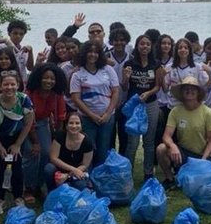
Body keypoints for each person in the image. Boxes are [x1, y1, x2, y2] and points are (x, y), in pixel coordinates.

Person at [0, 71, 35, 215]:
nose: (9, 87)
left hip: (16, 137)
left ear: (18, 85)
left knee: (16, 166)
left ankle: (18, 198)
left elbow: (28, 124)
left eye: (13, 84)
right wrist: (0, 147)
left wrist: (17, 145)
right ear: (0, 85)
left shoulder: (24, 100)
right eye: (6, 84)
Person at [156, 76, 211, 190]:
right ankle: (170, 179)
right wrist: (173, 146)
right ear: (182, 92)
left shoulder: (208, 112)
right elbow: (166, 136)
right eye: (186, 89)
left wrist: (203, 160)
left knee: (203, 185)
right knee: (161, 149)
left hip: (202, 155)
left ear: (198, 92)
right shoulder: (175, 111)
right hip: (183, 153)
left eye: (193, 88)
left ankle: (188, 174)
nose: (189, 91)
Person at [69, 40, 120, 166]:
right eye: (90, 52)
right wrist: (92, 115)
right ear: (84, 54)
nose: (93, 55)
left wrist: (107, 114)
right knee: (88, 149)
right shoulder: (77, 74)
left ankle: (100, 175)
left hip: (107, 117)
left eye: (96, 52)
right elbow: (75, 98)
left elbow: (115, 92)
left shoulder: (108, 70)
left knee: (103, 149)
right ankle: (87, 175)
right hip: (87, 118)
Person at [122, 35, 165, 181]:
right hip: (134, 104)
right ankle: (128, 173)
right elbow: (124, 87)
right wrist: (126, 77)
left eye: (147, 44)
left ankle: (148, 173)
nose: (144, 46)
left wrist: (148, 93)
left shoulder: (156, 64)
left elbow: (158, 86)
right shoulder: (129, 63)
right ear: (137, 46)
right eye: (142, 44)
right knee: (132, 141)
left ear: (151, 47)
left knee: (149, 140)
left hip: (151, 104)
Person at [23, 63, 67, 201]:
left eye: (52, 78)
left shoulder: (56, 94)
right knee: (31, 152)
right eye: (46, 78)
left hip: (42, 123)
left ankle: (38, 185)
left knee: (47, 153)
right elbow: (28, 121)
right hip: (26, 125)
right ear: (39, 78)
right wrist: (35, 142)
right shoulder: (29, 93)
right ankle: (28, 187)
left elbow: (60, 117)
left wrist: (58, 139)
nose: (49, 81)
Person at [44, 113, 94, 191]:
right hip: (60, 169)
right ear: (66, 125)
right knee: (49, 168)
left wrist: (67, 175)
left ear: (81, 125)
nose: (74, 126)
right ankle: (51, 192)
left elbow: (85, 164)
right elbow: (53, 158)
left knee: (80, 185)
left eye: (77, 123)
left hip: (78, 170)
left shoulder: (87, 142)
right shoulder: (59, 136)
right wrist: (72, 169)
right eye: (71, 123)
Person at [165, 37, 211, 109]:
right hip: (174, 105)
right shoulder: (169, 67)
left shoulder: (197, 67)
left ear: (190, 50)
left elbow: (207, 85)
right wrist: (162, 76)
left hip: (193, 105)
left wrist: (209, 73)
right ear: (176, 50)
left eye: (186, 48)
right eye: (180, 48)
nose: (183, 50)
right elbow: (165, 89)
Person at [107, 28, 131, 155]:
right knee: (109, 136)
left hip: (125, 102)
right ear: (111, 41)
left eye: (122, 40)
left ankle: (122, 160)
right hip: (108, 102)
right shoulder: (106, 57)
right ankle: (110, 159)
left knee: (124, 135)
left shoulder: (131, 59)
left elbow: (127, 86)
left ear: (126, 41)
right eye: (116, 40)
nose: (119, 43)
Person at [0, 19, 34, 84]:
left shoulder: (24, 50)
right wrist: (4, 40)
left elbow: (30, 68)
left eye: (21, 34)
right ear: (9, 33)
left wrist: (30, 52)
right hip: (1, 82)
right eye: (15, 33)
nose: (18, 36)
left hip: (20, 84)